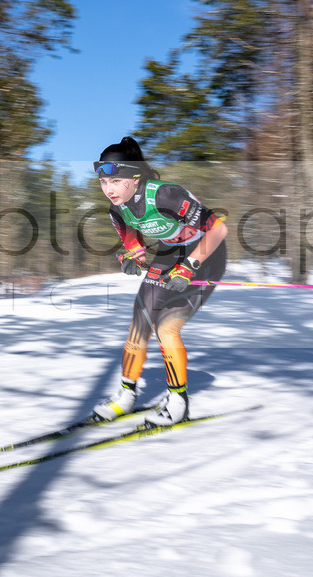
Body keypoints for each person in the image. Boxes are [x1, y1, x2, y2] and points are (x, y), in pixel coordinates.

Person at [92, 136, 228, 426]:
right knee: (140, 322)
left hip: (207, 254)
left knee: (166, 327)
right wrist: (132, 258)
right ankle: (126, 396)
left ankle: (178, 401)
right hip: (170, 253)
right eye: (103, 182)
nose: (109, 190)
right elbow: (135, 247)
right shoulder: (118, 210)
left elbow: (218, 230)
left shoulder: (166, 195)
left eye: (115, 181)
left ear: (135, 178)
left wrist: (190, 266)